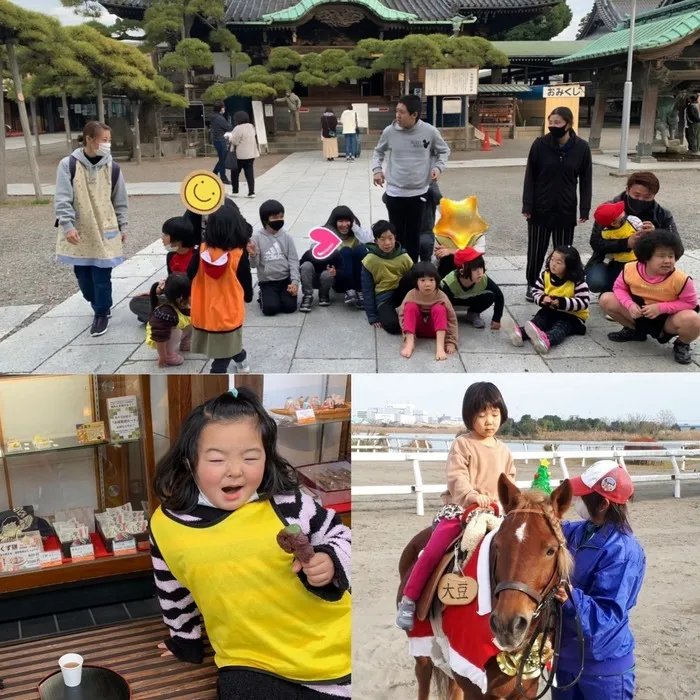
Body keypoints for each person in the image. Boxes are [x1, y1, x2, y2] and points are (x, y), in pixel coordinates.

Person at [150, 388, 351, 700]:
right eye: (216, 459)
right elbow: (173, 588)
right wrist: (184, 640)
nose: (235, 470)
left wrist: (330, 560)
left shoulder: (288, 503)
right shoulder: (165, 526)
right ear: (190, 461)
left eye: (251, 457)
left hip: (330, 645)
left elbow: (341, 536)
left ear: (267, 457)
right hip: (249, 660)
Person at [396, 381, 515, 631]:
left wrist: (509, 504)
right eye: (481, 415)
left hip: (495, 513)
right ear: (469, 417)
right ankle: (409, 599)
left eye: (494, 414)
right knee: (433, 550)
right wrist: (471, 495)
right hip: (462, 510)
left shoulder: (504, 451)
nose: (489, 421)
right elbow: (456, 476)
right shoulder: (463, 444)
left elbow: (509, 482)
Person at [552, 460, 646, 700]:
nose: (578, 501)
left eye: (583, 496)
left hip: (604, 669)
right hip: (565, 661)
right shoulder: (580, 530)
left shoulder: (623, 551)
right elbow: (551, 529)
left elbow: (608, 616)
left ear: (603, 503)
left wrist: (570, 597)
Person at [54, 121, 128, 337]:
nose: (107, 144)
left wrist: (123, 225)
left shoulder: (113, 167)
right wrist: (67, 225)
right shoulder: (68, 165)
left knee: (101, 276)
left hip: (105, 229)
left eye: (109, 140)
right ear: (89, 139)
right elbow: (62, 198)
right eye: (104, 140)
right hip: (80, 231)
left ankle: (102, 312)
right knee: (84, 278)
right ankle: (97, 303)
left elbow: (120, 199)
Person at [522, 106, 592, 302]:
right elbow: (530, 177)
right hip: (540, 207)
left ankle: (562, 284)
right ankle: (532, 283)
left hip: (566, 207)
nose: (553, 126)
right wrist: (527, 205)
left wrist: (584, 208)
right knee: (536, 249)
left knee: (563, 251)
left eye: (557, 123)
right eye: (550, 122)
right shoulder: (540, 145)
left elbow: (586, 180)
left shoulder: (582, 148)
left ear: (569, 124)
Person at [600, 229, 700, 365]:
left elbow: (690, 303)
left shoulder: (681, 279)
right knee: (606, 299)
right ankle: (634, 331)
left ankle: (682, 344)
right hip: (638, 312)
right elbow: (619, 288)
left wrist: (661, 308)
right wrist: (629, 304)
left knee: (694, 320)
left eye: (671, 256)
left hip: (667, 319)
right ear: (646, 257)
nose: (668, 261)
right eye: (661, 256)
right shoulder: (630, 268)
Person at [372, 95, 450, 263]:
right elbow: (378, 151)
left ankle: (413, 270)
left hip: (418, 193)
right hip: (394, 193)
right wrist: (377, 170)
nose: (397, 115)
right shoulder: (389, 131)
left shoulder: (429, 131)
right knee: (397, 234)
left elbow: (444, 151)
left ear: (414, 115)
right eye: (397, 111)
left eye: (402, 112)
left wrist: (438, 167)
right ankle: (398, 269)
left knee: (415, 235)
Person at [586, 171, 679, 294]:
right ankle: (611, 288)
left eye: (647, 197)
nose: (641, 200)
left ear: (654, 195)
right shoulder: (610, 209)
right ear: (627, 190)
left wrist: (656, 235)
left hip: (646, 262)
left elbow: (678, 246)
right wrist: (626, 243)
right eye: (636, 195)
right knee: (596, 282)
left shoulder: (662, 214)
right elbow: (596, 242)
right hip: (609, 260)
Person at [187, 201, 253, 374]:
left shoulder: (202, 250)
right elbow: (245, 278)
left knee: (225, 342)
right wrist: (248, 296)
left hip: (205, 308)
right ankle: (218, 372)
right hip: (229, 308)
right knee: (226, 343)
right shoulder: (238, 253)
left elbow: (190, 271)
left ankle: (241, 358)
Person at [506, 245, 590, 355]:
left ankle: (546, 340)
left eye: (558, 262)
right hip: (552, 311)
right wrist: (541, 299)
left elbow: (584, 302)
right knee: (540, 319)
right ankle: (520, 333)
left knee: (560, 327)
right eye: (552, 259)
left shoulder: (577, 281)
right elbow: (535, 291)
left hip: (573, 316)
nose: (553, 264)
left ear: (569, 266)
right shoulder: (546, 275)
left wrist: (562, 302)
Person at [299, 205, 372, 311]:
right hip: (339, 280)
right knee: (345, 251)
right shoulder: (328, 235)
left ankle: (359, 291)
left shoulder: (356, 235)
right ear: (334, 222)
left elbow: (369, 242)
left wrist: (355, 227)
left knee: (361, 249)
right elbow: (314, 253)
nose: (344, 225)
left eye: (347, 221)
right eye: (340, 221)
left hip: (357, 280)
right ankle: (349, 289)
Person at [129, 216, 199, 324]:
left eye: (166, 234)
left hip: (194, 301)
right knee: (136, 302)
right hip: (177, 300)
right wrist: (157, 290)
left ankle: (164, 318)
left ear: (178, 239)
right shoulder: (171, 256)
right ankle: (168, 318)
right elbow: (172, 282)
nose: (162, 238)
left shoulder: (197, 255)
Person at [360, 220, 414, 334]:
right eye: (382, 239)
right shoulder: (370, 260)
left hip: (402, 291)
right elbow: (367, 289)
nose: (387, 243)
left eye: (390, 238)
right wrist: (372, 316)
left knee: (414, 274)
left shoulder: (404, 256)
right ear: (376, 241)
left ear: (395, 238)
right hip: (384, 297)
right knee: (392, 326)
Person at [248, 200, 300, 316]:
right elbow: (253, 265)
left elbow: (293, 260)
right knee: (270, 309)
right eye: (275, 217)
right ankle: (263, 295)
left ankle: (280, 297)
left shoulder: (287, 236)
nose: (279, 220)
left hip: (285, 280)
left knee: (290, 308)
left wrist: (295, 282)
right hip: (267, 281)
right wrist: (253, 254)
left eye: (281, 217)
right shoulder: (256, 237)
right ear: (265, 220)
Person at [398, 262, 458, 361]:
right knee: (409, 307)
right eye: (422, 280)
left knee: (439, 309)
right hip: (416, 329)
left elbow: (452, 319)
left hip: (436, 330)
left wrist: (451, 341)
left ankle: (439, 347)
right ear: (416, 282)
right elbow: (402, 316)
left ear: (436, 280)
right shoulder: (411, 295)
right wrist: (406, 338)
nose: (428, 284)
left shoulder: (441, 296)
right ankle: (410, 343)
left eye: (431, 280)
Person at [440, 247, 504, 330]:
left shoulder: (483, 279)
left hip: (470, 300)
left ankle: (473, 313)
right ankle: (449, 316)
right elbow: (440, 302)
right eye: (474, 269)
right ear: (462, 271)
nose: (479, 272)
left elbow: (499, 295)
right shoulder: (449, 282)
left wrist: (496, 319)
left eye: (481, 267)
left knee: (490, 296)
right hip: (452, 302)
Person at [146, 273, 192, 368]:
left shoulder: (180, 303)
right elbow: (159, 337)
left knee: (192, 322)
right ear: (180, 298)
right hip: (159, 338)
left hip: (169, 333)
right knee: (177, 331)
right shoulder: (165, 313)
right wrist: (163, 356)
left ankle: (185, 342)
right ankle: (169, 355)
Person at [226, 111, 259, 198]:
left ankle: (235, 191)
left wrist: (229, 138)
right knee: (249, 173)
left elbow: (235, 141)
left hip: (240, 155)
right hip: (251, 153)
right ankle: (251, 192)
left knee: (235, 173)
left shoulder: (238, 128)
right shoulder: (251, 126)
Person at [210, 101, 233, 184]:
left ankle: (215, 173)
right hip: (220, 140)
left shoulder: (214, 116)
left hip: (216, 139)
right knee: (223, 159)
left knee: (222, 158)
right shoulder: (220, 118)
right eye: (223, 107)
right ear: (220, 108)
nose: (224, 109)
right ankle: (223, 177)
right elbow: (229, 127)